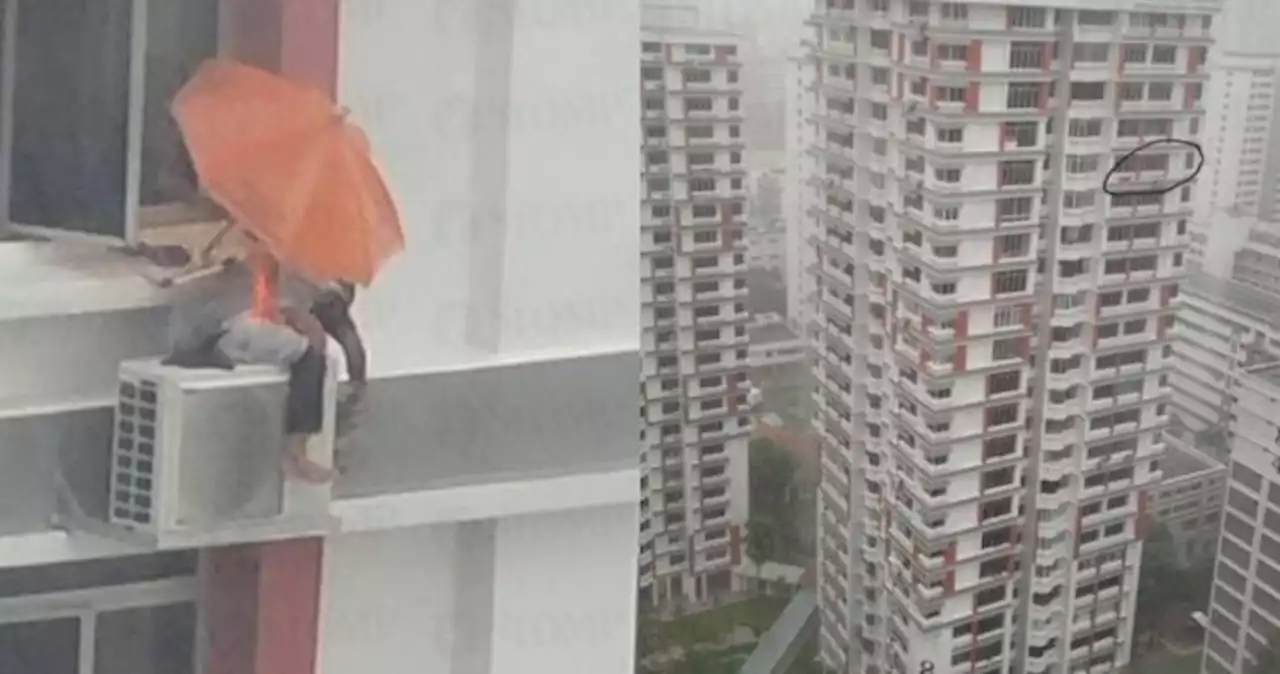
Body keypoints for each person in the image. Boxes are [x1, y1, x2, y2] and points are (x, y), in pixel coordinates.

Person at [168, 250, 368, 483]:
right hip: (226, 330)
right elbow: (271, 307)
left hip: (207, 329)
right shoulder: (284, 263)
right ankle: (295, 451)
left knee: (305, 349)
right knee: (307, 352)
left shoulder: (253, 252)